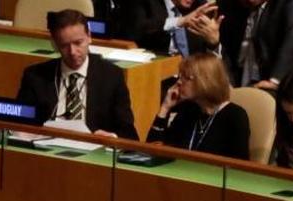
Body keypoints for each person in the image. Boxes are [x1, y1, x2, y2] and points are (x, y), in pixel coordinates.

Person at [17, 9, 138, 139]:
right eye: (64, 46)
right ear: (55, 45)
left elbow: (129, 132)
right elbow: (19, 123)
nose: (73, 52)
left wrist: (111, 137)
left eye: (78, 43)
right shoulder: (35, 76)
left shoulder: (111, 76)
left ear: (89, 37)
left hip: (92, 152)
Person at [147, 53, 251, 160]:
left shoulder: (235, 116)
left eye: (186, 78)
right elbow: (152, 151)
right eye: (180, 76)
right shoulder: (188, 111)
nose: (179, 82)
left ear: (205, 81)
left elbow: (239, 168)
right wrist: (165, 108)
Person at [211, 0, 293, 89]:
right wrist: (213, 41)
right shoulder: (227, 4)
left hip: (282, 79)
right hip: (239, 81)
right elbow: (225, 49)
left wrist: (274, 81)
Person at [123, 0, 220, 56]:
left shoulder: (201, 7)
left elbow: (206, 56)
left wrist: (213, 44)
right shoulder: (145, 3)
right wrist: (180, 21)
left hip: (193, 78)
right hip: (158, 75)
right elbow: (138, 30)